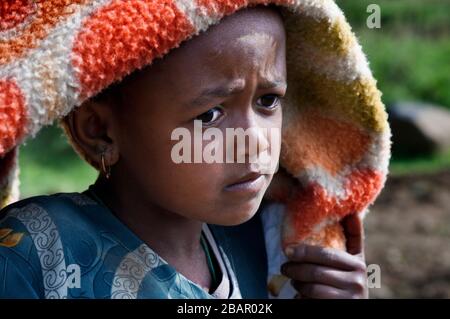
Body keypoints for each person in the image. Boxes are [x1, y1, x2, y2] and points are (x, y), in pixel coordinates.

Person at [0, 0, 390, 299]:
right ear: (98, 130)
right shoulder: (30, 251)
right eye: (210, 115)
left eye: (268, 101)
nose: (255, 140)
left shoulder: (269, 250)